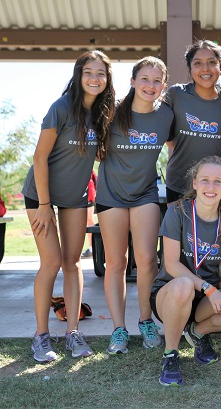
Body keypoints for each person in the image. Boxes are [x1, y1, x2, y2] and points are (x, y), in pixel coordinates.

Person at [21, 50, 115, 362]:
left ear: (107, 79)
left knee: (72, 263)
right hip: (41, 195)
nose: (94, 78)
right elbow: (39, 157)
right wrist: (45, 204)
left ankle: (73, 332)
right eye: (89, 72)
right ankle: (41, 336)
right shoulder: (61, 107)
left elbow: (100, 154)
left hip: (74, 197)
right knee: (50, 262)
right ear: (78, 75)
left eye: (100, 73)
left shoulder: (101, 114)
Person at [152, 156, 221, 386]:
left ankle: (197, 332)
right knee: (184, 284)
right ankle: (171, 354)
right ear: (195, 183)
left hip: (203, 300)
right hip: (171, 294)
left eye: (218, 181)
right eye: (205, 180)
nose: (211, 187)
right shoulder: (178, 212)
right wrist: (209, 288)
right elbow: (172, 265)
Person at [96, 56, 174, 354]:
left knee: (147, 260)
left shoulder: (165, 115)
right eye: (144, 79)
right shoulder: (111, 112)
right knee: (116, 262)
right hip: (111, 196)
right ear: (132, 81)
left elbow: (178, 146)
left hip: (144, 194)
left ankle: (145, 320)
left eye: (156, 81)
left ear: (163, 86)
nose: (150, 85)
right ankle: (118, 329)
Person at [164, 40, 221, 204]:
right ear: (190, 68)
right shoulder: (176, 94)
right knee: (178, 229)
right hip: (178, 182)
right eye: (198, 63)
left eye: (212, 62)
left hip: (215, 185)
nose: (205, 68)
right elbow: (167, 137)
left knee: (213, 230)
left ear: (220, 67)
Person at [81, 170, 97, 258]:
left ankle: (92, 248)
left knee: (89, 221)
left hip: (88, 195)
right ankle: (91, 248)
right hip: (87, 194)